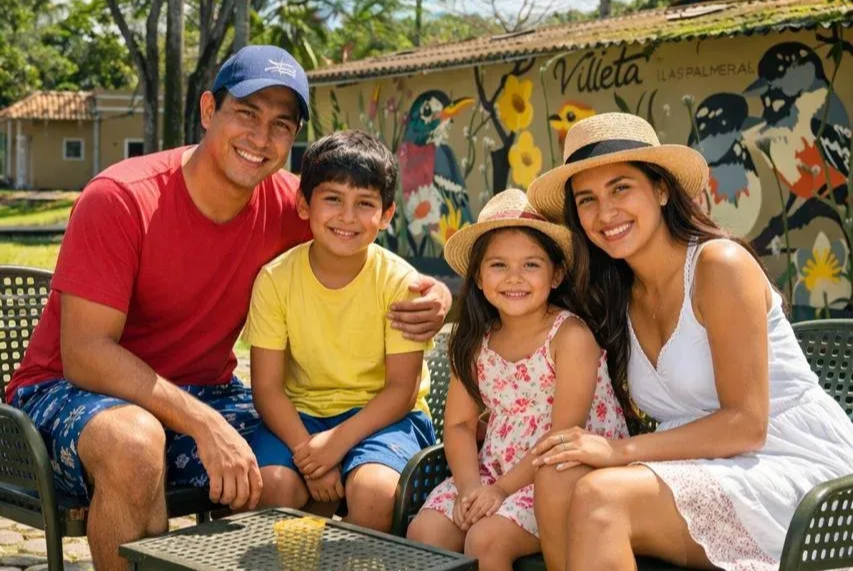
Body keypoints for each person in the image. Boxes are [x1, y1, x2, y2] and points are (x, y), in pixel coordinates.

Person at [3, 46, 450, 571]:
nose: (261, 139)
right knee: (136, 441)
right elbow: (84, 354)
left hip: (209, 391)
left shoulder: (297, 204)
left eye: (281, 125)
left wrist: (437, 294)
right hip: (72, 393)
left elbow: (365, 242)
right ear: (209, 110)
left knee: (292, 461)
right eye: (247, 114)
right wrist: (203, 424)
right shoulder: (120, 198)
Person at [526, 112, 853, 571]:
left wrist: (618, 453)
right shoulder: (615, 292)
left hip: (791, 468)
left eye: (621, 188)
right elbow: (520, 301)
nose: (605, 213)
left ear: (661, 190)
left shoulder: (719, 265)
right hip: (701, 464)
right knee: (557, 477)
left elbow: (747, 425)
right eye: (587, 199)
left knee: (604, 498)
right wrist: (436, 299)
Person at [406, 189, 628, 571]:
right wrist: (471, 486)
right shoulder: (476, 340)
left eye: (531, 265)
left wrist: (500, 491)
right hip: (493, 471)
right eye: (498, 266)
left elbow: (563, 436)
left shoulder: (569, 337)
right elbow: (459, 425)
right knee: (426, 534)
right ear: (477, 276)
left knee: (485, 539)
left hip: (562, 474)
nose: (514, 278)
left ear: (556, 274)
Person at [243, 130, 437, 532]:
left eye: (364, 204)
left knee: (374, 492)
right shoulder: (275, 280)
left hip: (383, 418)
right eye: (332, 198)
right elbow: (267, 388)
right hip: (298, 415)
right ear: (303, 204)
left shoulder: (399, 282)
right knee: (272, 487)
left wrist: (334, 445)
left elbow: (402, 389)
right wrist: (307, 452)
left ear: (385, 216)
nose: (347, 217)